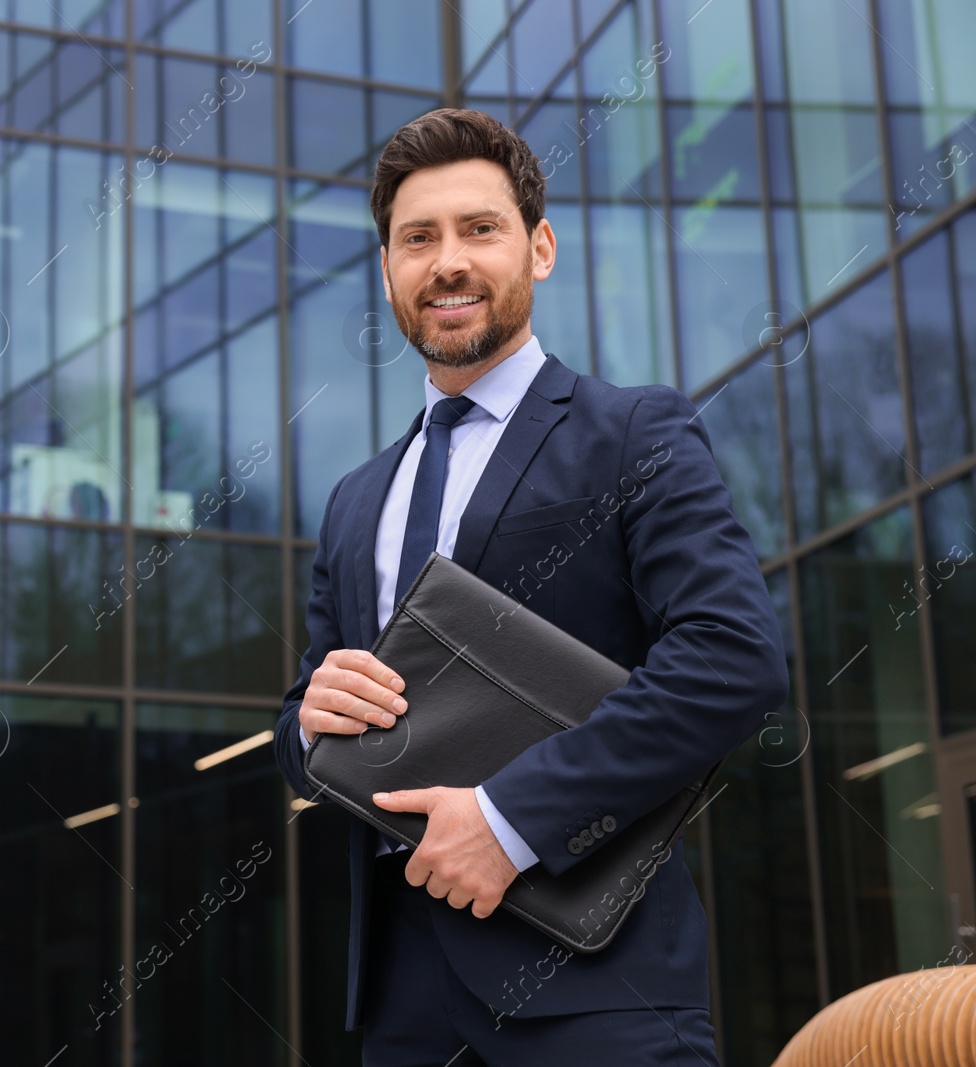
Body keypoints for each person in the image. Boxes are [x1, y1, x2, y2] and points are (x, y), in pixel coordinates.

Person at [272, 107, 787, 1066]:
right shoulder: (354, 501)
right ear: (388, 270)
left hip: (597, 991)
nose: (448, 261)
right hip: (401, 1010)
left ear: (539, 247)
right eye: (417, 239)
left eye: (481, 228)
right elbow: (307, 716)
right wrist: (306, 724)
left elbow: (733, 659)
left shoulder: (635, 433)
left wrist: (511, 823)